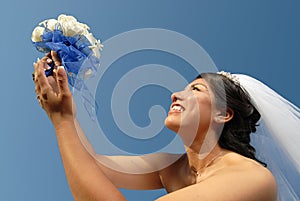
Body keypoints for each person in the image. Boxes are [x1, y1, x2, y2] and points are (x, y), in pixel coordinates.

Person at [33, 51, 282, 201]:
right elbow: (91, 166)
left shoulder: (251, 178)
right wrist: (67, 105)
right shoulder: (171, 166)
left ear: (223, 114)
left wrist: (62, 120)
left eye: (195, 89)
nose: (175, 95)